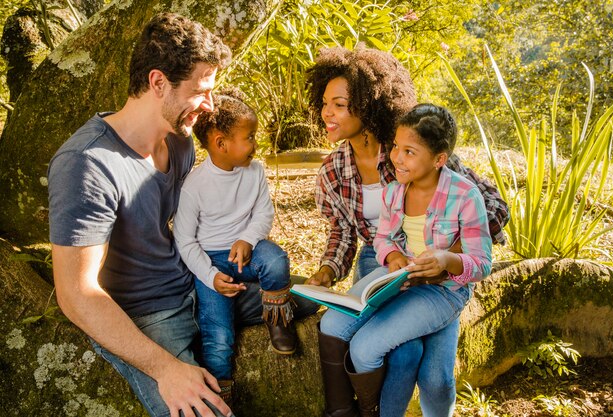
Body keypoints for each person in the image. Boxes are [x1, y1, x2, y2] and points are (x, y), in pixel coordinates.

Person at [305, 46, 509, 417]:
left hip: (442, 272)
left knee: (433, 374)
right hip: (383, 260)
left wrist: (448, 257)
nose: (326, 113)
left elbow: (493, 205)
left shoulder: (411, 151)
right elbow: (344, 234)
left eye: (338, 104)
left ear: (368, 105)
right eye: (324, 103)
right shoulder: (333, 170)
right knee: (391, 348)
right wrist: (327, 271)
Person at [48, 13, 234, 417]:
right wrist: (166, 369)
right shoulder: (86, 164)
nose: (210, 105)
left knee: (310, 305)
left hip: (195, 284)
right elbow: (76, 295)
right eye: (202, 91)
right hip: (145, 316)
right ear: (157, 82)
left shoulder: (180, 143)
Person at [173, 90, 299, 404]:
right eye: (250, 137)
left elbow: (263, 213)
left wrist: (247, 239)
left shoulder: (254, 172)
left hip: (247, 252)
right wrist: (209, 275)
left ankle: (276, 320)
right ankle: (219, 398)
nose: (256, 145)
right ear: (220, 143)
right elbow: (185, 241)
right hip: (212, 265)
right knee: (218, 338)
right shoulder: (195, 186)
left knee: (276, 261)